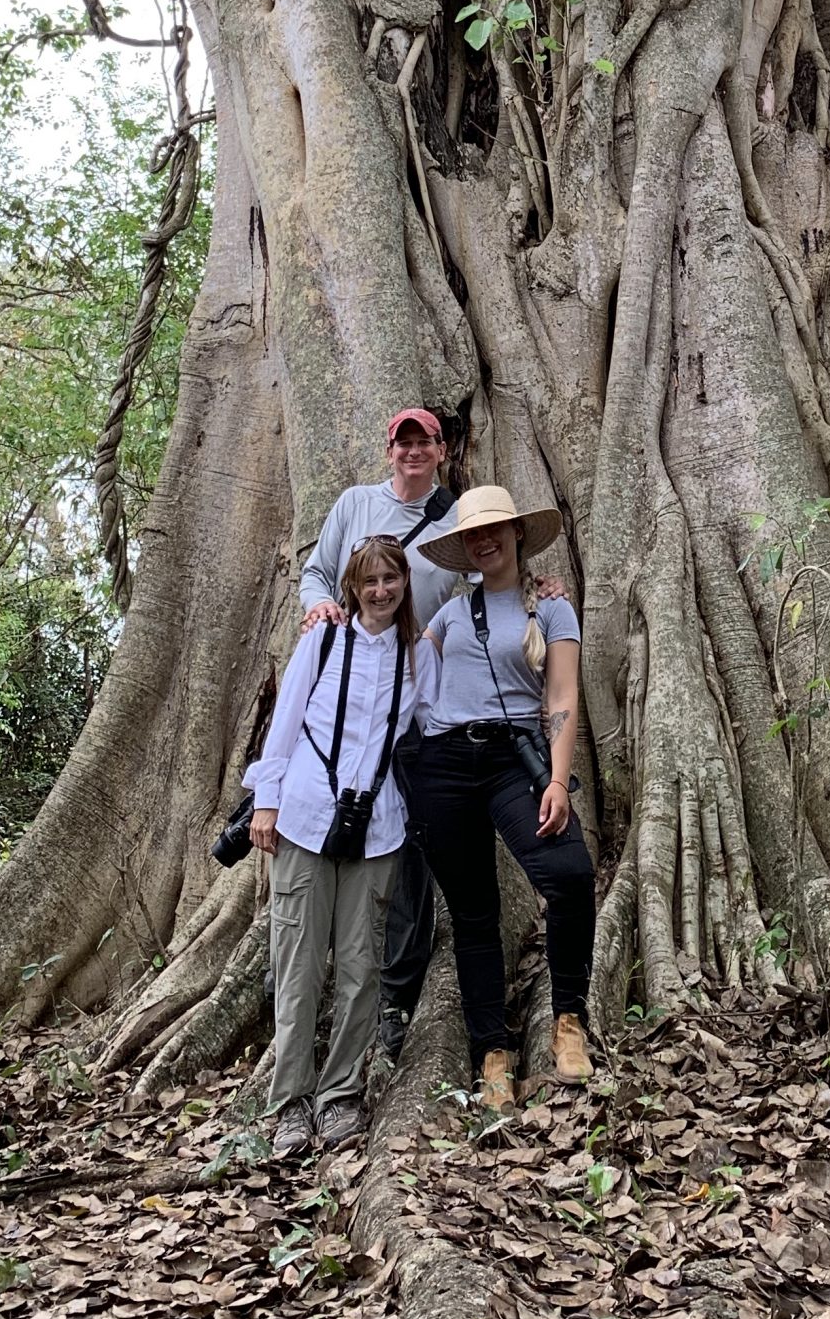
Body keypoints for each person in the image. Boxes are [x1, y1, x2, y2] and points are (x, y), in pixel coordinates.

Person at [246, 535, 434, 1159]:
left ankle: (340, 1095)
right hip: (304, 814)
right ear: (351, 588)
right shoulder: (323, 640)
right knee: (297, 961)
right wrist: (266, 800)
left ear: (405, 583)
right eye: (368, 582)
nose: (380, 591)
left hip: (378, 824)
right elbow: (286, 720)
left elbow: (432, 722)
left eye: (391, 580)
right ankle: (290, 1100)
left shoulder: (415, 655)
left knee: (360, 965)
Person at [410, 483, 595, 1109]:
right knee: (473, 913)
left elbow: (563, 695)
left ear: (518, 532)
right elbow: (400, 664)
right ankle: (492, 1052)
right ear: (463, 547)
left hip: (514, 762)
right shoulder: (449, 615)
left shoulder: (552, 608)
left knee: (569, 875)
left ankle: (567, 1021)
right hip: (443, 764)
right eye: (472, 534)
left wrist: (557, 780)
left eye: (495, 528)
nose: (484, 540)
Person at [296, 408, 460, 1059]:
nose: (413, 451)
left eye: (425, 441)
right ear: (389, 449)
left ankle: (393, 999)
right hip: (346, 706)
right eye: (403, 442)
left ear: (444, 449)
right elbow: (315, 572)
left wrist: (540, 593)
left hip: (417, 708)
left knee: (407, 856)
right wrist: (319, 606)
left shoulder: (455, 521)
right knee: (333, 843)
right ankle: (323, 1002)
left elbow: (484, 583)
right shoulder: (355, 505)